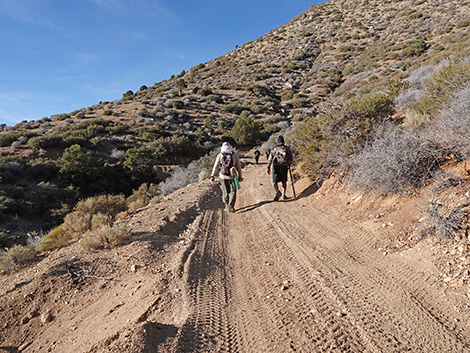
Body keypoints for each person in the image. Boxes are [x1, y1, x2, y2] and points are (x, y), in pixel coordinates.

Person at [211, 142, 243, 213]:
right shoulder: (234, 155)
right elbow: (239, 167)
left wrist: (212, 175)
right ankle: (231, 206)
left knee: (225, 191)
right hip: (232, 176)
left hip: (222, 176)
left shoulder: (220, 155)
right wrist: (240, 176)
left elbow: (215, 166)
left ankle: (227, 206)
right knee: (233, 191)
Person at [266, 135, 293, 201]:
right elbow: (291, 158)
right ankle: (283, 195)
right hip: (284, 166)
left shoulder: (274, 149)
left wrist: (268, 167)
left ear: (277, 141)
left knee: (274, 181)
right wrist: (289, 163)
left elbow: (270, 159)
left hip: (276, 166)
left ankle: (278, 192)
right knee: (284, 181)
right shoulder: (286, 148)